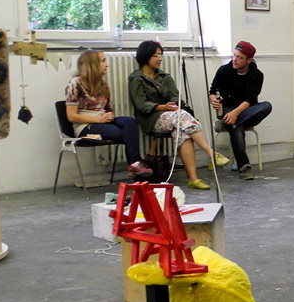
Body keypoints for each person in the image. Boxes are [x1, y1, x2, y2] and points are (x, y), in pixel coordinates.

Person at [128, 40, 229, 190]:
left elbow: (176, 97)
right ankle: (210, 152)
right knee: (182, 117)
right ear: (146, 57)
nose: (160, 58)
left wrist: (172, 105)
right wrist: (164, 107)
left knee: (182, 131)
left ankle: (193, 179)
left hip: (173, 117)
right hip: (151, 119)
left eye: (161, 55)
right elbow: (141, 105)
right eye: (156, 56)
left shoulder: (165, 77)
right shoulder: (136, 79)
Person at [65, 50, 152, 178]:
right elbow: (71, 116)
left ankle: (135, 165)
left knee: (130, 122)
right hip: (85, 126)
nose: (107, 65)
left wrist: (110, 115)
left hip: (103, 121)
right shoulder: (75, 84)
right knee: (124, 133)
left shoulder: (103, 85)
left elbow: (109, 110)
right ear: (92, 64)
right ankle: (136, 165)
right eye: (103, 61)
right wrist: (98, 120)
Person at [208, 40, 271, 181]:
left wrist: (235, 114)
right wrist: (214, 100)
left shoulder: (257, 75)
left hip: (247, 110)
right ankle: (244, 167)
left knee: (266, 106)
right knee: (236, 126)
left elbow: (250, 99)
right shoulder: (224, 70)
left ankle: (226, 122)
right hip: (227, 109)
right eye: (234, 55)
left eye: (239, 57)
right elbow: (212, 91)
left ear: (249, 60)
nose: (235, 60)